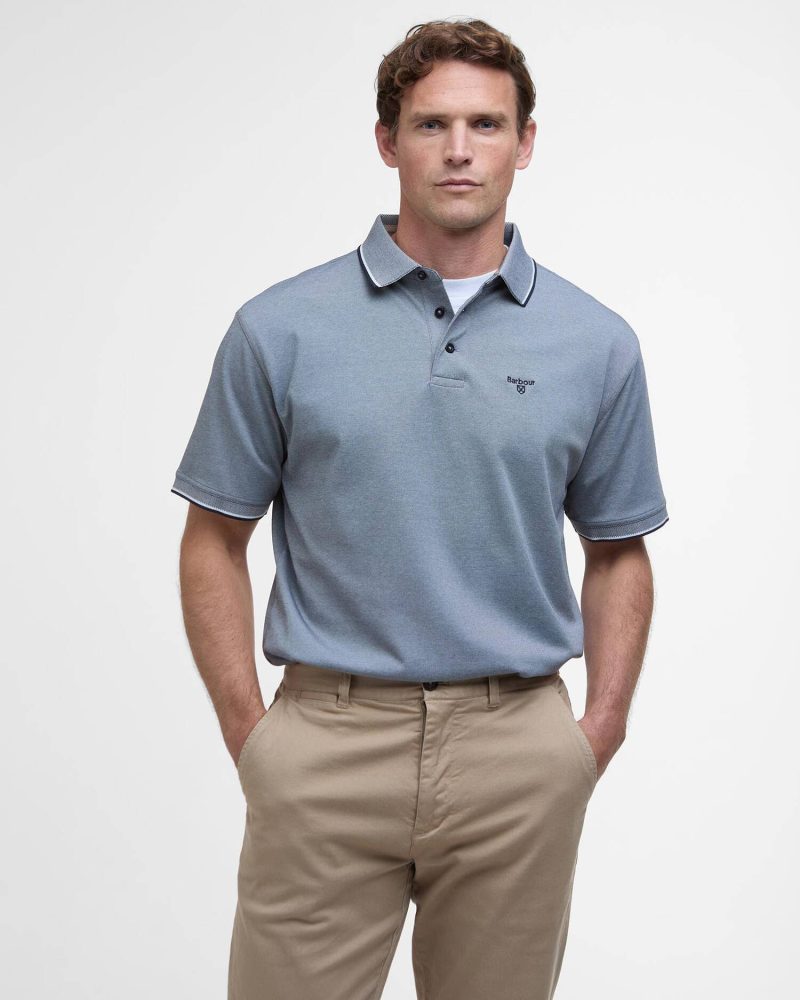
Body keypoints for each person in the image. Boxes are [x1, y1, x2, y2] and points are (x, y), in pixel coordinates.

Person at [170, 17, 669, 1000]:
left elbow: (618, 551)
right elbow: (213, 537)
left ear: (525, 142)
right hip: (327, 740)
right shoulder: (279, 328)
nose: (458, 150)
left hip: (515, 749)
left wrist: (596, 731)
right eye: (431, 123)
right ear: (386, 140)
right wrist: (251, 734)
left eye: (485, 124)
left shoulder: (596, 342)